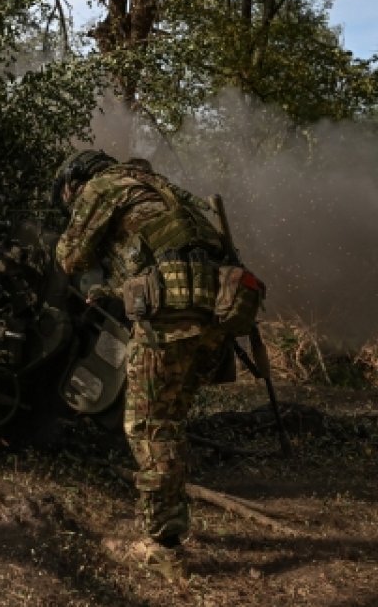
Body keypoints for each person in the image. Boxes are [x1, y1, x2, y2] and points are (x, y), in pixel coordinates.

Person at [52, 149, 233, 581]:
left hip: (169, 317)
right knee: (169, 424)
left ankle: (164, 548)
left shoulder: (102, 187)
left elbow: (70, 257)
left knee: (149, 427)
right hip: (214, 313)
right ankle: (171, 523)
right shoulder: (164, 189)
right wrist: (115, 290)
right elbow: (165, 255)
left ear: (75, 181)